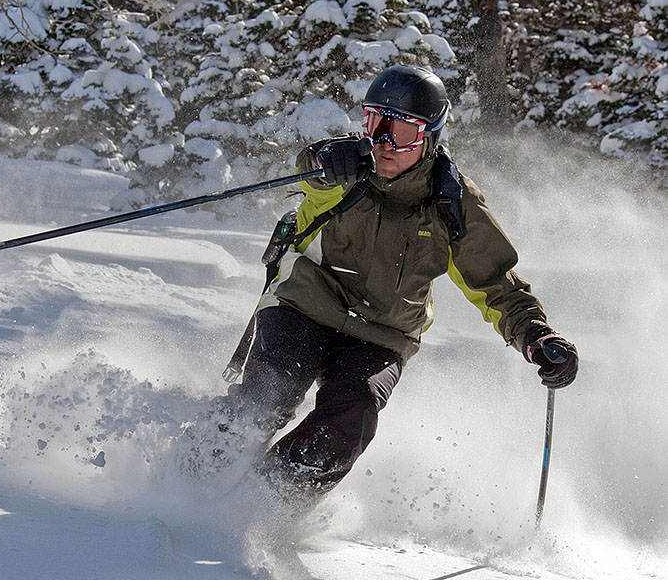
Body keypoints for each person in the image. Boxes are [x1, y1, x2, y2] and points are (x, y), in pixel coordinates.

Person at [222, 64, 578, 500]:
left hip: (381, 335)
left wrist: (535, 336)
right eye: (375, 124)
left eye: (402, 132)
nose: (384, 144)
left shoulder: (452, 204)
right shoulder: (344, 173)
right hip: (305, 305)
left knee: (351, 418)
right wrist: (323, 161)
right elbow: (314, 173)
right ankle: (204, 467)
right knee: (269, 391)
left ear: (430, 137)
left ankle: (265, 503)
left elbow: (495, 284)